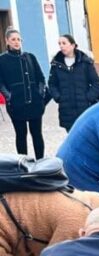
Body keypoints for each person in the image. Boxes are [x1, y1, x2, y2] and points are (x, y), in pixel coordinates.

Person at [0, 29, 47, 159]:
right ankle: (23, 163)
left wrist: (40, 93)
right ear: (7, 41)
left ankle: (41, 161)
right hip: (16, 104)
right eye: (13, 39)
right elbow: (1, 83)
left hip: (34, 103)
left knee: (37, 134)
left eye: (18, 39)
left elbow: (41, 78)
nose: (16, 42)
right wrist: (9, 96)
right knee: (21, 135)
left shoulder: (30, 57)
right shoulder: (2, 60)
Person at [48, 34, 99, 132]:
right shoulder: (56, 64)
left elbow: (96, 83)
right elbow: (52, 84)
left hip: (84, 108)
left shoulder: (84, 62)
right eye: (59, 44)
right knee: (72, 136)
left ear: (73, 45)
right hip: (66, 109)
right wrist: (58, 97)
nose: (61, 46)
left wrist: (89, 98)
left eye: (64, 43)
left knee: (87, 135)